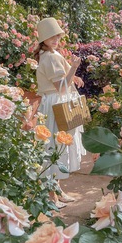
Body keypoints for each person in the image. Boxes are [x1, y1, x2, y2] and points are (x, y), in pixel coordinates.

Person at [33, 17, 87, 208]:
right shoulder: (51, 57)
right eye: (51, 36)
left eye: (57, 35)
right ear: (43, 39)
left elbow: (63, 80)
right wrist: (73, 67)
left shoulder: (50, 55)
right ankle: (51, 196)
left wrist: (74, 76)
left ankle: (56, 190)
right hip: (55, 104)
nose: (55, 39)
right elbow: (62, 87)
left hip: (52, 103)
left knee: (55, 147)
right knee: (55, 148)